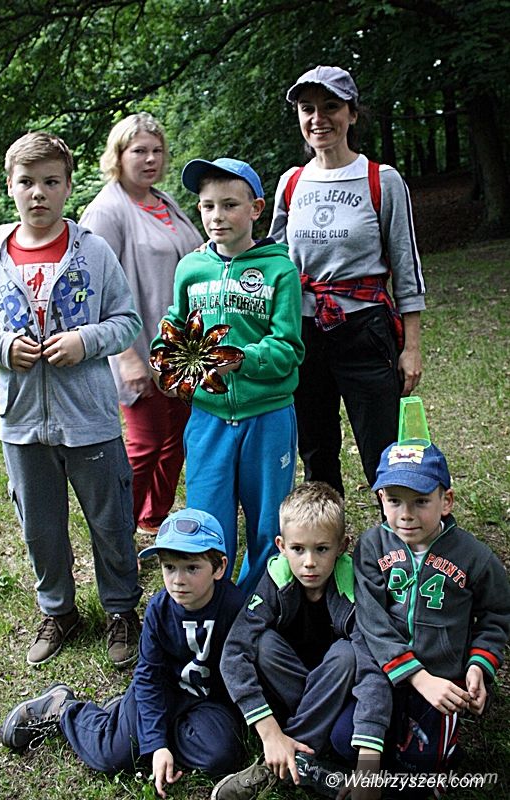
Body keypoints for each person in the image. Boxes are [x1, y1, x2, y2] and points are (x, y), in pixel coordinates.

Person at [0, 132, 143, 668]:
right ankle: (58, 611)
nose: (38, 193)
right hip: (23, 422)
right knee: (40, 527)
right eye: (26, 182)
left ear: (69, 186)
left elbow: (127, 321)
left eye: (51, 182)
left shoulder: (93, 252)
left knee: (111, 521)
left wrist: (85, 341)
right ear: (10, 186)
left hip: (90, 418)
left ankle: (121, 609)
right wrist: (2, 347)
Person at [0, 508, 245, 799]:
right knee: (113, 755)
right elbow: (149, 676)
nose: (178, 579)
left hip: (207, 701)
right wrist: (156, 745)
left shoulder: (235, 607)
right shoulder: (158, 610)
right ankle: (63, 708)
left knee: (221, 756)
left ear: (219, 568)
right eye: (169, 567)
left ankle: (135, 724)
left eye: (192, 568)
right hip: (162, 693)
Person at [269, 65, 426, 498]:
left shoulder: (382, 180)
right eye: (307, 109)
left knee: (383, 447)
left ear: (352, 114)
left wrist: (411, 347)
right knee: (316, 448)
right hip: (304, 330)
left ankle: (395, 531)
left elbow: (406, 266)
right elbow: (274, 260)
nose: (318, 118)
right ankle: (323, 534)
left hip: (365, 329)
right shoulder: (291, 182)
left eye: (331, 107)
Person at [152, 157, 304, 596]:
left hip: (268, 416)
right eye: (207, 206)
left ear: (256, 209)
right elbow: (174, 325)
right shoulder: (190, 268)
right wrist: (164, 359)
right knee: (206, 519)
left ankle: (259, 606)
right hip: (209, 418)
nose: (217, 216)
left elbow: (289, 347)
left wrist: (241, 359)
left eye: (230, 205)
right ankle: (211, 606)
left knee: (269, 521)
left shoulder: (280, 270)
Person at [211, 482, 391, 800]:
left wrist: (368, 763)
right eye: (298, 549)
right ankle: (295, 750)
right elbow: (234, 651)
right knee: (263, 645)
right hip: (291, 687)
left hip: (337, 690)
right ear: (281, 546)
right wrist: (269, 732)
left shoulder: (353, 588)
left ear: (342, 546)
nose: (309, 562)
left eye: (321, 549)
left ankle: (278, 765)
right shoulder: (276, 579)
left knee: (347, 654)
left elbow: (373, 665)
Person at [353, 441, 510, 785]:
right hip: (385, 673)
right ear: (380, 499)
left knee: (417, 773)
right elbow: (371, 620)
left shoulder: (475, 557)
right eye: (394, 501)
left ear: (446, 501)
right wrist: (415, 676)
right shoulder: (371, 546)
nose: (406, 514)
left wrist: (478, 666)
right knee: (343, 742)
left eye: (421, 501)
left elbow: (497, 615)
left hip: (443, 679)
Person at [80, 113, 203, 537]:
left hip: (181, 348)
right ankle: (118, 532)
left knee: (176, 438)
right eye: (139, 151)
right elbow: (92, 290)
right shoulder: (106, 211)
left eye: (157, 150)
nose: (150, 159)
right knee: (146, 443)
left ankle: (154, 518)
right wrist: (127, 355)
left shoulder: (163, 201)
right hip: (137, 346)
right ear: (118, 156)